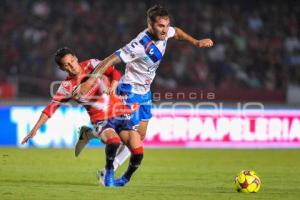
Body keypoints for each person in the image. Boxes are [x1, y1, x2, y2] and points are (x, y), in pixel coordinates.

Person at [73, 5, 213, 176]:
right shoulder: (139, 45)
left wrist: (196, 42)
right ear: (150, 24)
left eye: (166, 25)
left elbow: (176, 32)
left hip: (145, 91)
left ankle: (89, 134)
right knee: (126, 135)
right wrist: (89, 81)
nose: (164, 30)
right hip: (129, 90)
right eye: (161, 26)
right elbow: (109, 60)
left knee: (140, 135)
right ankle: (107, 168)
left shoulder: (165, 31)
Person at [21, 47, 143, 187]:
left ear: (76, 57)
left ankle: (124, 178)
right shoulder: (67, 87)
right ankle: (109, 171)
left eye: (72, 60)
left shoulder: (92, 64)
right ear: (62, 68)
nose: (71, 65)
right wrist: (35, 129)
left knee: (138, 149)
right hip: (101, 119)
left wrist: (114, 85)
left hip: (119, 112)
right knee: (114, 142)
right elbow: (51, 108)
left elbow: (114, 72)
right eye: (66, 64)